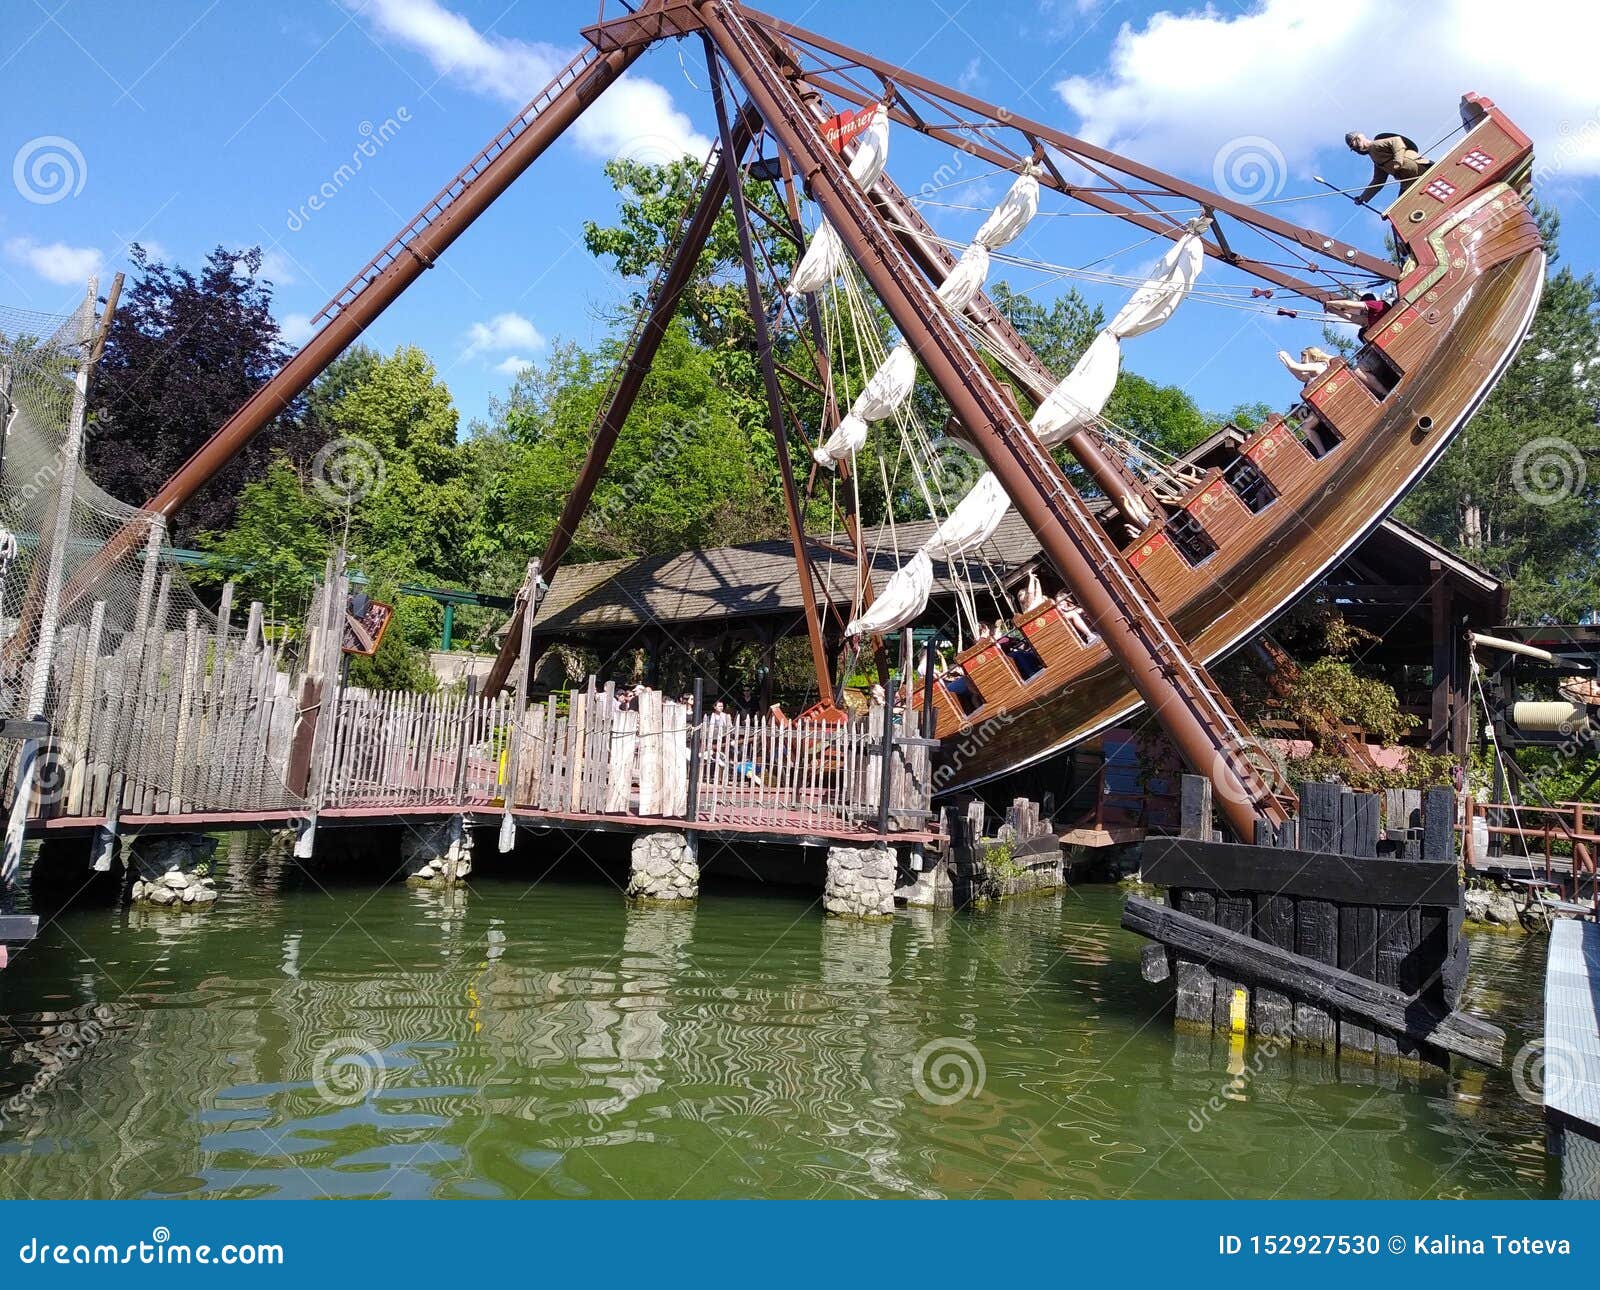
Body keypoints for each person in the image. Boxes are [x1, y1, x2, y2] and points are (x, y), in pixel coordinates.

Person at [1345, 131, 1432, 207]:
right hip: (1408, 180)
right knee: (1400, 206)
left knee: (1401, 205)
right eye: (1353, 148)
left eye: (1353, 145)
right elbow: (1378, 181)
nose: (1356, 149)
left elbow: (1396, 141)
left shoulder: (1375, 144)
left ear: (1359, 138)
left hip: (1419, 167)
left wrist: (1398, 161)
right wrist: (1363, 197)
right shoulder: (1376, 160)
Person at [1326, 292, 1392, 329]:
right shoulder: (1374, 315)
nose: (1363, 311)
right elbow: (1354, 318)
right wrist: (1333, 311)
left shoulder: (1376, 305)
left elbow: (1349, 304)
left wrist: (1329, 303)